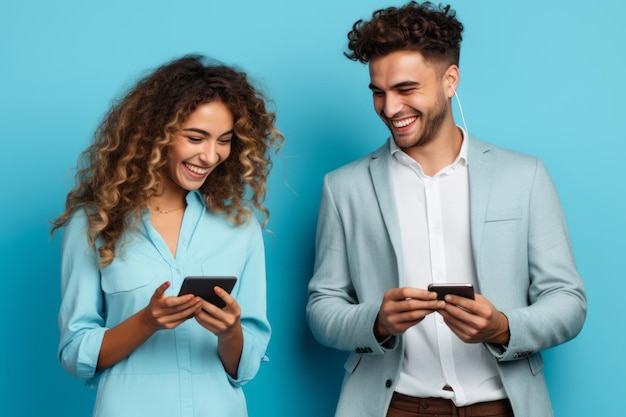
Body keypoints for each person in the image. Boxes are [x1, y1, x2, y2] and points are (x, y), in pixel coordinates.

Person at [306, 3, 586, 417]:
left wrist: (504, 327)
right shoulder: (344, 187)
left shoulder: (523, 176)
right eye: (378, 92)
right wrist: (377, 321)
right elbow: (322, 307)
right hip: (394, 405)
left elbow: (568, 300)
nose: (389, 108)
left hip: (500, 405)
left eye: (406, 90)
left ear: (450, 80)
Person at [52, 55, 283, 417]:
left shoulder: (239, 227)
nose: (210, 155)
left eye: (224, 140)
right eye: (195, 138)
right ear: (153, 135)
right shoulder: (94, 223)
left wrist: (230, 332)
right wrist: (147, 321)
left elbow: (247, 367)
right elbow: (75, 352)